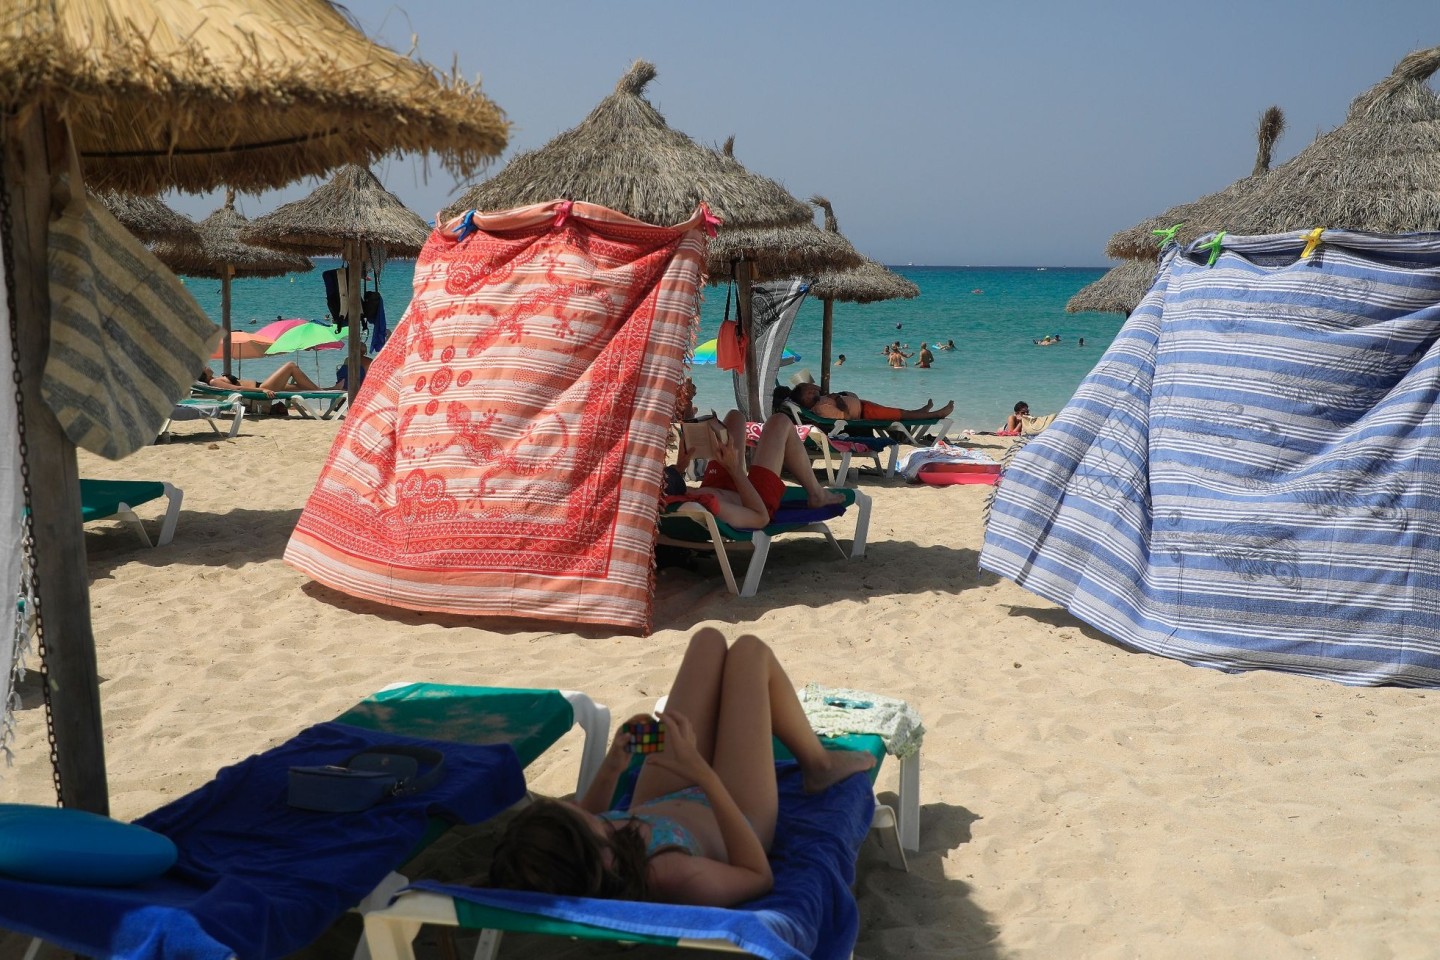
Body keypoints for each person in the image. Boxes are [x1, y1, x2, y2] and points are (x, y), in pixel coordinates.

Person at [486, 628, 876, 905]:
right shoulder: (675, 875)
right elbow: (758, 876)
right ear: (596, 853)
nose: (572, 806)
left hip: (662, 800)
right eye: (567, 814)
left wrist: (613, 766)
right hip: (737, 815)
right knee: (749, 653)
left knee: (707, 642)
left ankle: (703, 750)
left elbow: (588, 819)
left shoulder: (592, 849)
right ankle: (818, 764)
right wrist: (701, 773)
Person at [675, 411, 844, 528]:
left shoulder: (658, 494)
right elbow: (760, 518)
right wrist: (734, 469)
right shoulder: (707, 505)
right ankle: (817, 495)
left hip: (715, 488)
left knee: (735, 417)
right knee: (780, 421)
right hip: (755, 501)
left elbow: (674, 489)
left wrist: (679, 468)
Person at [785, 381, 953, 423]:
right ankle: (936, 414)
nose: (813, 390)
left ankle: (923, 411)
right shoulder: (821, 410)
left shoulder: (818, 402)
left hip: (863, 406)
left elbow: (818, 388)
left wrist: (816, 390)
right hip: (864, 413)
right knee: (899, 415)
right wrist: (837, 399)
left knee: (898, 411)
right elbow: (846, 416)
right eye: (809, 391)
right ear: (804, 399)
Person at [196, 361, 321, 399]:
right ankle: (322, 392)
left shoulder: (215, 379)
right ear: (203, 373)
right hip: (262, 389)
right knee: (290, 366)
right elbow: (237, 388)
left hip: (262, 386)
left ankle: (329, 390)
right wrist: (262, 390)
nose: (207, 366)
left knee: (303, 387)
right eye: (205, 367)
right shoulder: (213, 382)